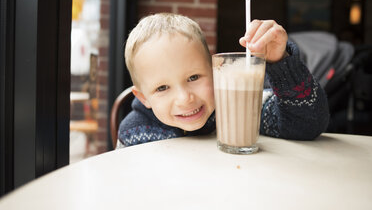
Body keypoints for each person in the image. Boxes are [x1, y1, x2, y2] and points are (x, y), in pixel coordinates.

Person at [117, 13, 329, 148]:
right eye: (162, 87)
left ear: (216, 71)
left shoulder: (238, 111)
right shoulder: (133, 134)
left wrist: (280, 62)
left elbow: (307, 124)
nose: (184, 99)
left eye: (193, 77)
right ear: (143, 97)